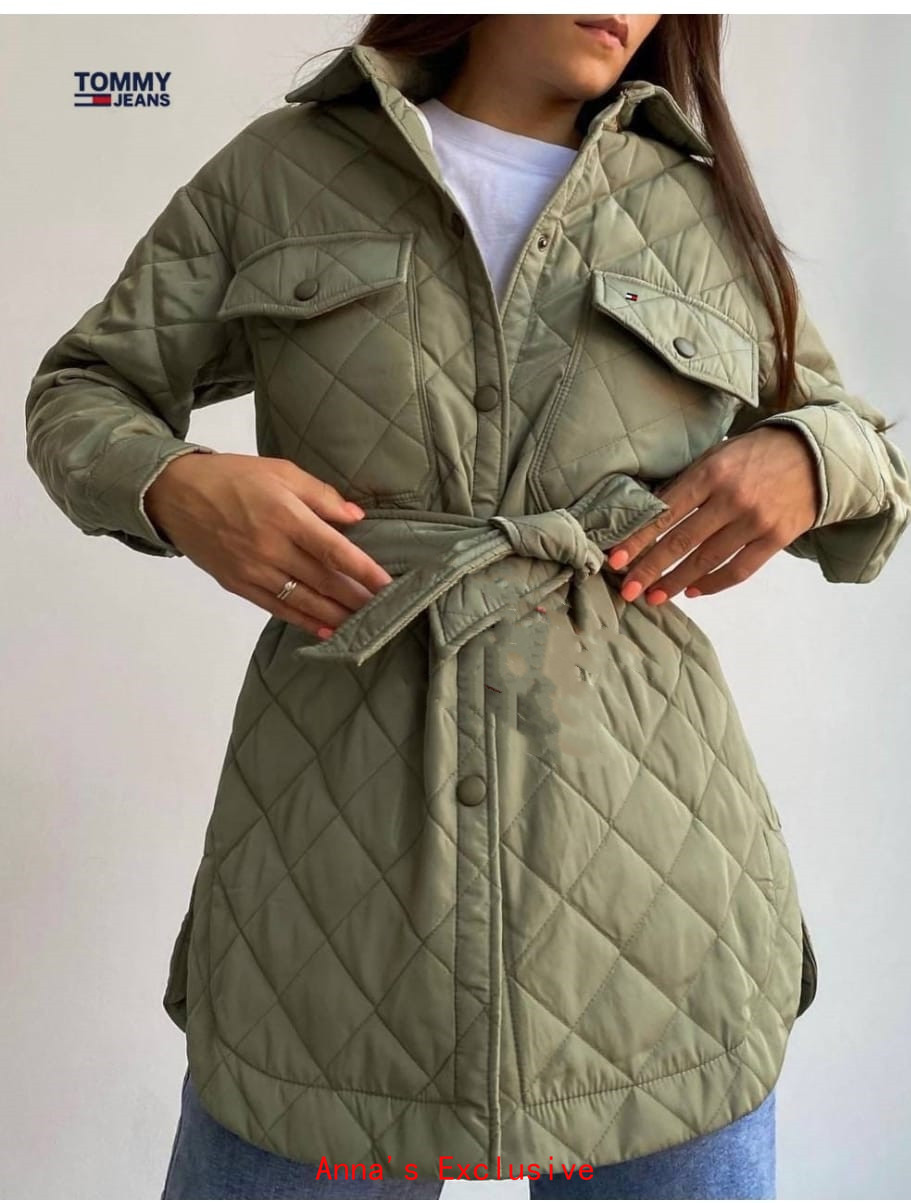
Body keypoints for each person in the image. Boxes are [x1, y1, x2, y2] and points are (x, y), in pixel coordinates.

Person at [24, 14, 910, 1202]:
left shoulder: (698, 207)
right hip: (330, 900)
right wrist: (175, 485)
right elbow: (82, 389)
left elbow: (868, 456)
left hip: (657, 912)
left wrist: (809, 458)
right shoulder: (281, 170)